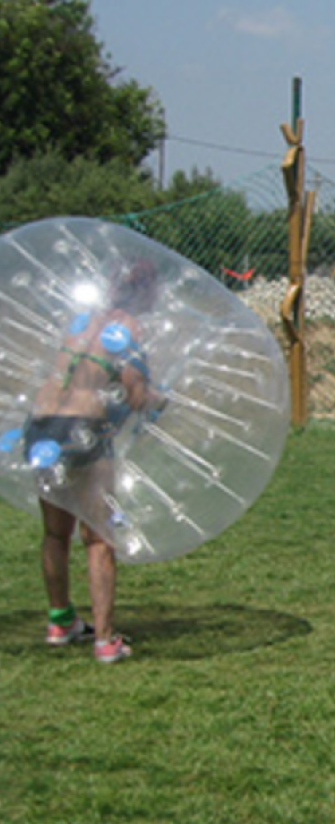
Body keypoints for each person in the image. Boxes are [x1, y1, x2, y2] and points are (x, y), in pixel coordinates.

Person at [27, 260, 163, 663]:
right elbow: (135, 395)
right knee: (99, 537)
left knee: (55, 533)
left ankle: (60, 621)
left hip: (42, 426)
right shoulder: (130, 329)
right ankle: (105, 640)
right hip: (84, 429)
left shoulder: (82, 321)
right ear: (145, 290)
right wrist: (162, 400)